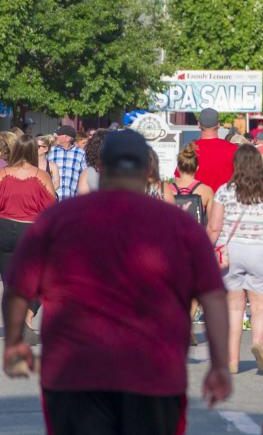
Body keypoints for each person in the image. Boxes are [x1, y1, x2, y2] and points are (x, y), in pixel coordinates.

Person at [2, 129, 232, 432]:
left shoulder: (59, 220)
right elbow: (213, 297)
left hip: (74, 372)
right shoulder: (179, 225)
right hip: (154, 373)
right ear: (147, 170)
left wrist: (16, 342)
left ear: (101, 168)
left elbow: (19, 287)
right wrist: (218, 364)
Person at [208, 144, 263, 375]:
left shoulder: (224, 190)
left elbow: (214, 227)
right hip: (262, 252)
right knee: (261, 305)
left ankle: (232, 359)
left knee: (234, 307)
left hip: (231, 252)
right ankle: (258, 344)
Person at [0, 137, 57, 278]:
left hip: (4, 228)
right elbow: (51, 208)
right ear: (33, 151)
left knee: (8, 280)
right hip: (30, 229)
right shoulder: (42, 176)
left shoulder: (3, 173)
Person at [194, 108, 238, 192]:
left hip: (197, 203)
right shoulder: (233, 149)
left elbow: (179, 181)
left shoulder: (190, 150)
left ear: (199, 124)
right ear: (218, 124)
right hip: (225, 203)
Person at [172, 143, 214, 226]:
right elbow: (211, 224)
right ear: (197, 168)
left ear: (178, 168)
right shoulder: (206, 191)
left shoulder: (166, 190)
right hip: (196, 236)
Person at [47, 124, 86, 201]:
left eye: (59, 135)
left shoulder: (80, 153)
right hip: (52, 199)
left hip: (72, 200)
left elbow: (84, 174)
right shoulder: (50, 151)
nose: (56, 136)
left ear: (67, 138)